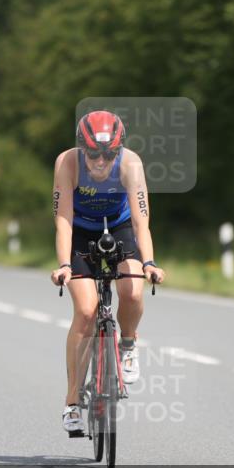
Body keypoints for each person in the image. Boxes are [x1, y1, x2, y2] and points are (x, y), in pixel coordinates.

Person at [50, 111, 166, 435]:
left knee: (132, 290)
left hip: (120, 225)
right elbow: (63, 220)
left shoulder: (131, 164)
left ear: (118, 151)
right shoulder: (67, 163)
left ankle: (127, 344)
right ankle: (72, 402)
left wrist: (150, 263)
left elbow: (142, 223)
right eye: (94, 153)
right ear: (81, 148)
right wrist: (63, 265)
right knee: (86, 311)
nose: (101, 161)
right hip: (81, 232)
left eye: (109, 154)